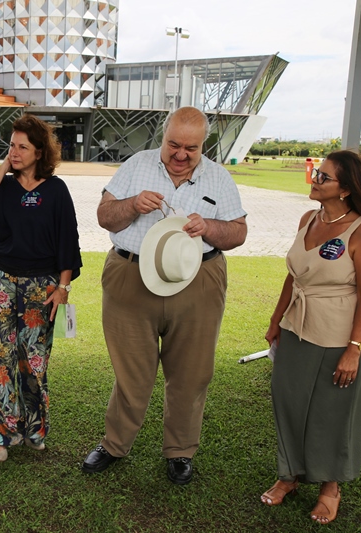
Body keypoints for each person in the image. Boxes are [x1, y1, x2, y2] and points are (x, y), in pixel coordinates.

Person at [82, 106, 247, 484]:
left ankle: (180, 451)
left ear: (203, 145)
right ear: (164, 137)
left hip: (198, 281)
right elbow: (105, 216)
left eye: (191, 148)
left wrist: (209, 227)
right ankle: (114, 444)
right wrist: (131, 205)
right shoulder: (137, 164)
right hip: (130, 276)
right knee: (131, 371)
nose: (181, 154)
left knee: (191, 373)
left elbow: (238, 233)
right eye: (174, 144)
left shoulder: (219, 178)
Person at [261, 150, 361, 524]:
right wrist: (277, 319)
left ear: (345, 189)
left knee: (332, 413)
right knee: (289, 402)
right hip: (297, 327)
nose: (316, 180)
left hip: (338, 336)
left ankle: (330, 487)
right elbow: (294, 276)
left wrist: (355, 349)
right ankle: (290, 475)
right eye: (317, 174)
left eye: (324, 177)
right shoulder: (307, 219)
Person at [0, 114, 82, 462]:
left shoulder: (56, 190)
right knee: (1, 358)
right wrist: (5, 165)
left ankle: (33, 428)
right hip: (1, 281)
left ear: (39, 152)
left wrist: (63, 288)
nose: (15, 152)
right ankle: (2, 434)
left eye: (22, 147)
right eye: (11, 146)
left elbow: (68, 242)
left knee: (33, 361)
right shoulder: (2, 185)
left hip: (42, 287)